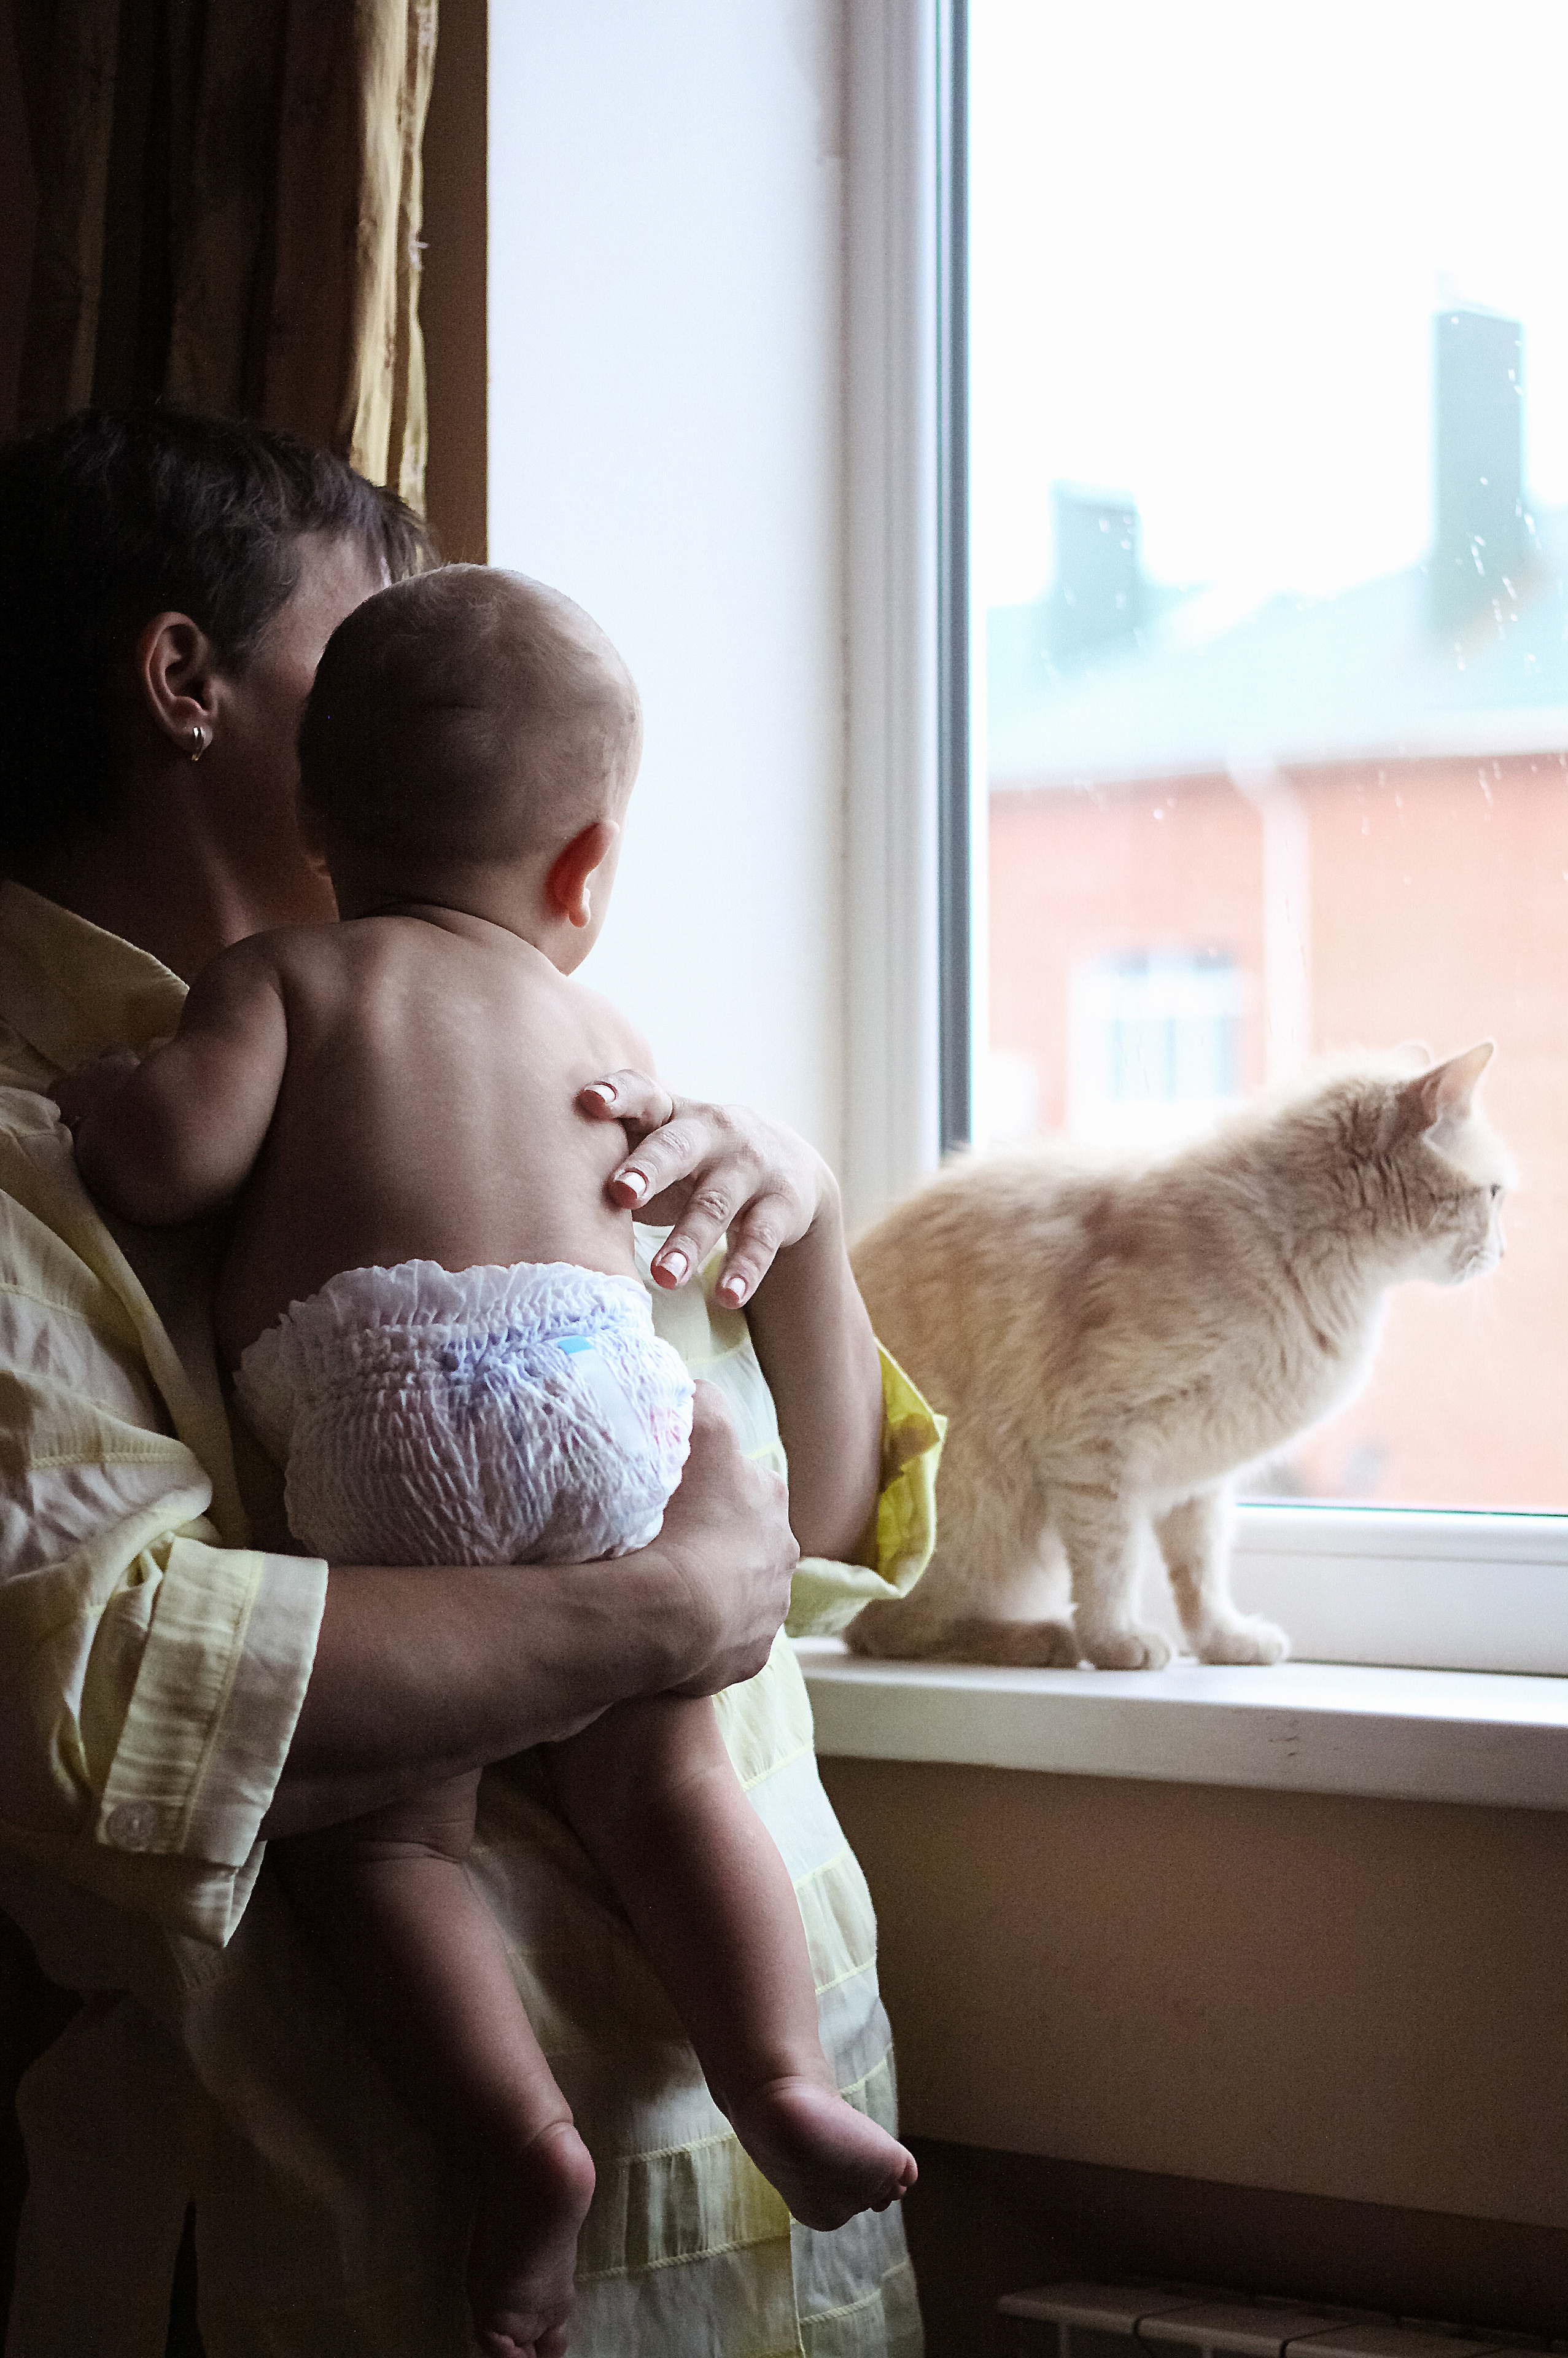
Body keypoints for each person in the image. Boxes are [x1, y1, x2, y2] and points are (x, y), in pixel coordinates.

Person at [0, 405, 942, 2356]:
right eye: (375, 643)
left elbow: (818, 1545)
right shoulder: (34, 1148)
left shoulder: (558, 1078)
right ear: (189, 681)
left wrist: (810, 1238)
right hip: (362, 2262)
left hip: (777, 2259)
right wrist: (655, 1605)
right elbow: (112, 1695)